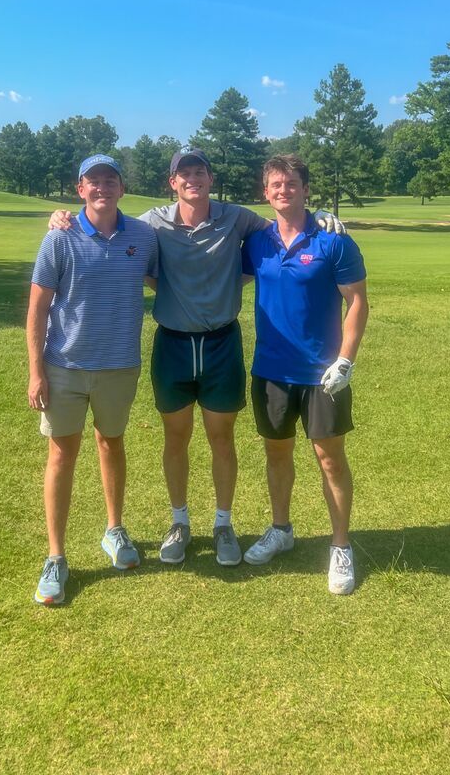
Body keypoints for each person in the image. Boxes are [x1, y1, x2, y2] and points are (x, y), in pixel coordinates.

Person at [49, 148, 343, 568]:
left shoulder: (236, 217)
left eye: (199, 171)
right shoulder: (152, 223)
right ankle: (180, 522)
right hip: (173, 344)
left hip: (222, 343)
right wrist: (60, 218)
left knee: (221, 437)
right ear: (172, 182)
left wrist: (318, 219)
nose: (192, 178)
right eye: (183, 173)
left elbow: (284, 226)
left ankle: (223, 524)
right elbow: (139, 264)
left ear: (209, 178)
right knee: (176, 436)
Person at [27, 154, 158, 605]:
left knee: (112, 443)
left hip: (120, 365)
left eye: (110, 179)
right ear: (80, 189)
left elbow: (172, 277)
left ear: (122, 188)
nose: (102, 186)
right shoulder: (59, 238)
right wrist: (35, 371)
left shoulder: (143, 236)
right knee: (62, 454)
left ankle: (114, 530)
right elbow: (38, 309)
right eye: (93, 180)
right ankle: (57, 557)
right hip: (64, 366)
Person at [241, 154, 368, 594]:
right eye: (275, 184)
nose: (283, 190)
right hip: (271, 370)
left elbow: (357, 302)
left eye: (291, 183)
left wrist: (346, 359)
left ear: (306, 188)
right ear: (265, 192)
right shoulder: (257, 243)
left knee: (329, 459)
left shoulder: (334, 241)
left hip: (323, 373)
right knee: (277, 455)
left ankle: (340, 547)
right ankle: (281, 529)